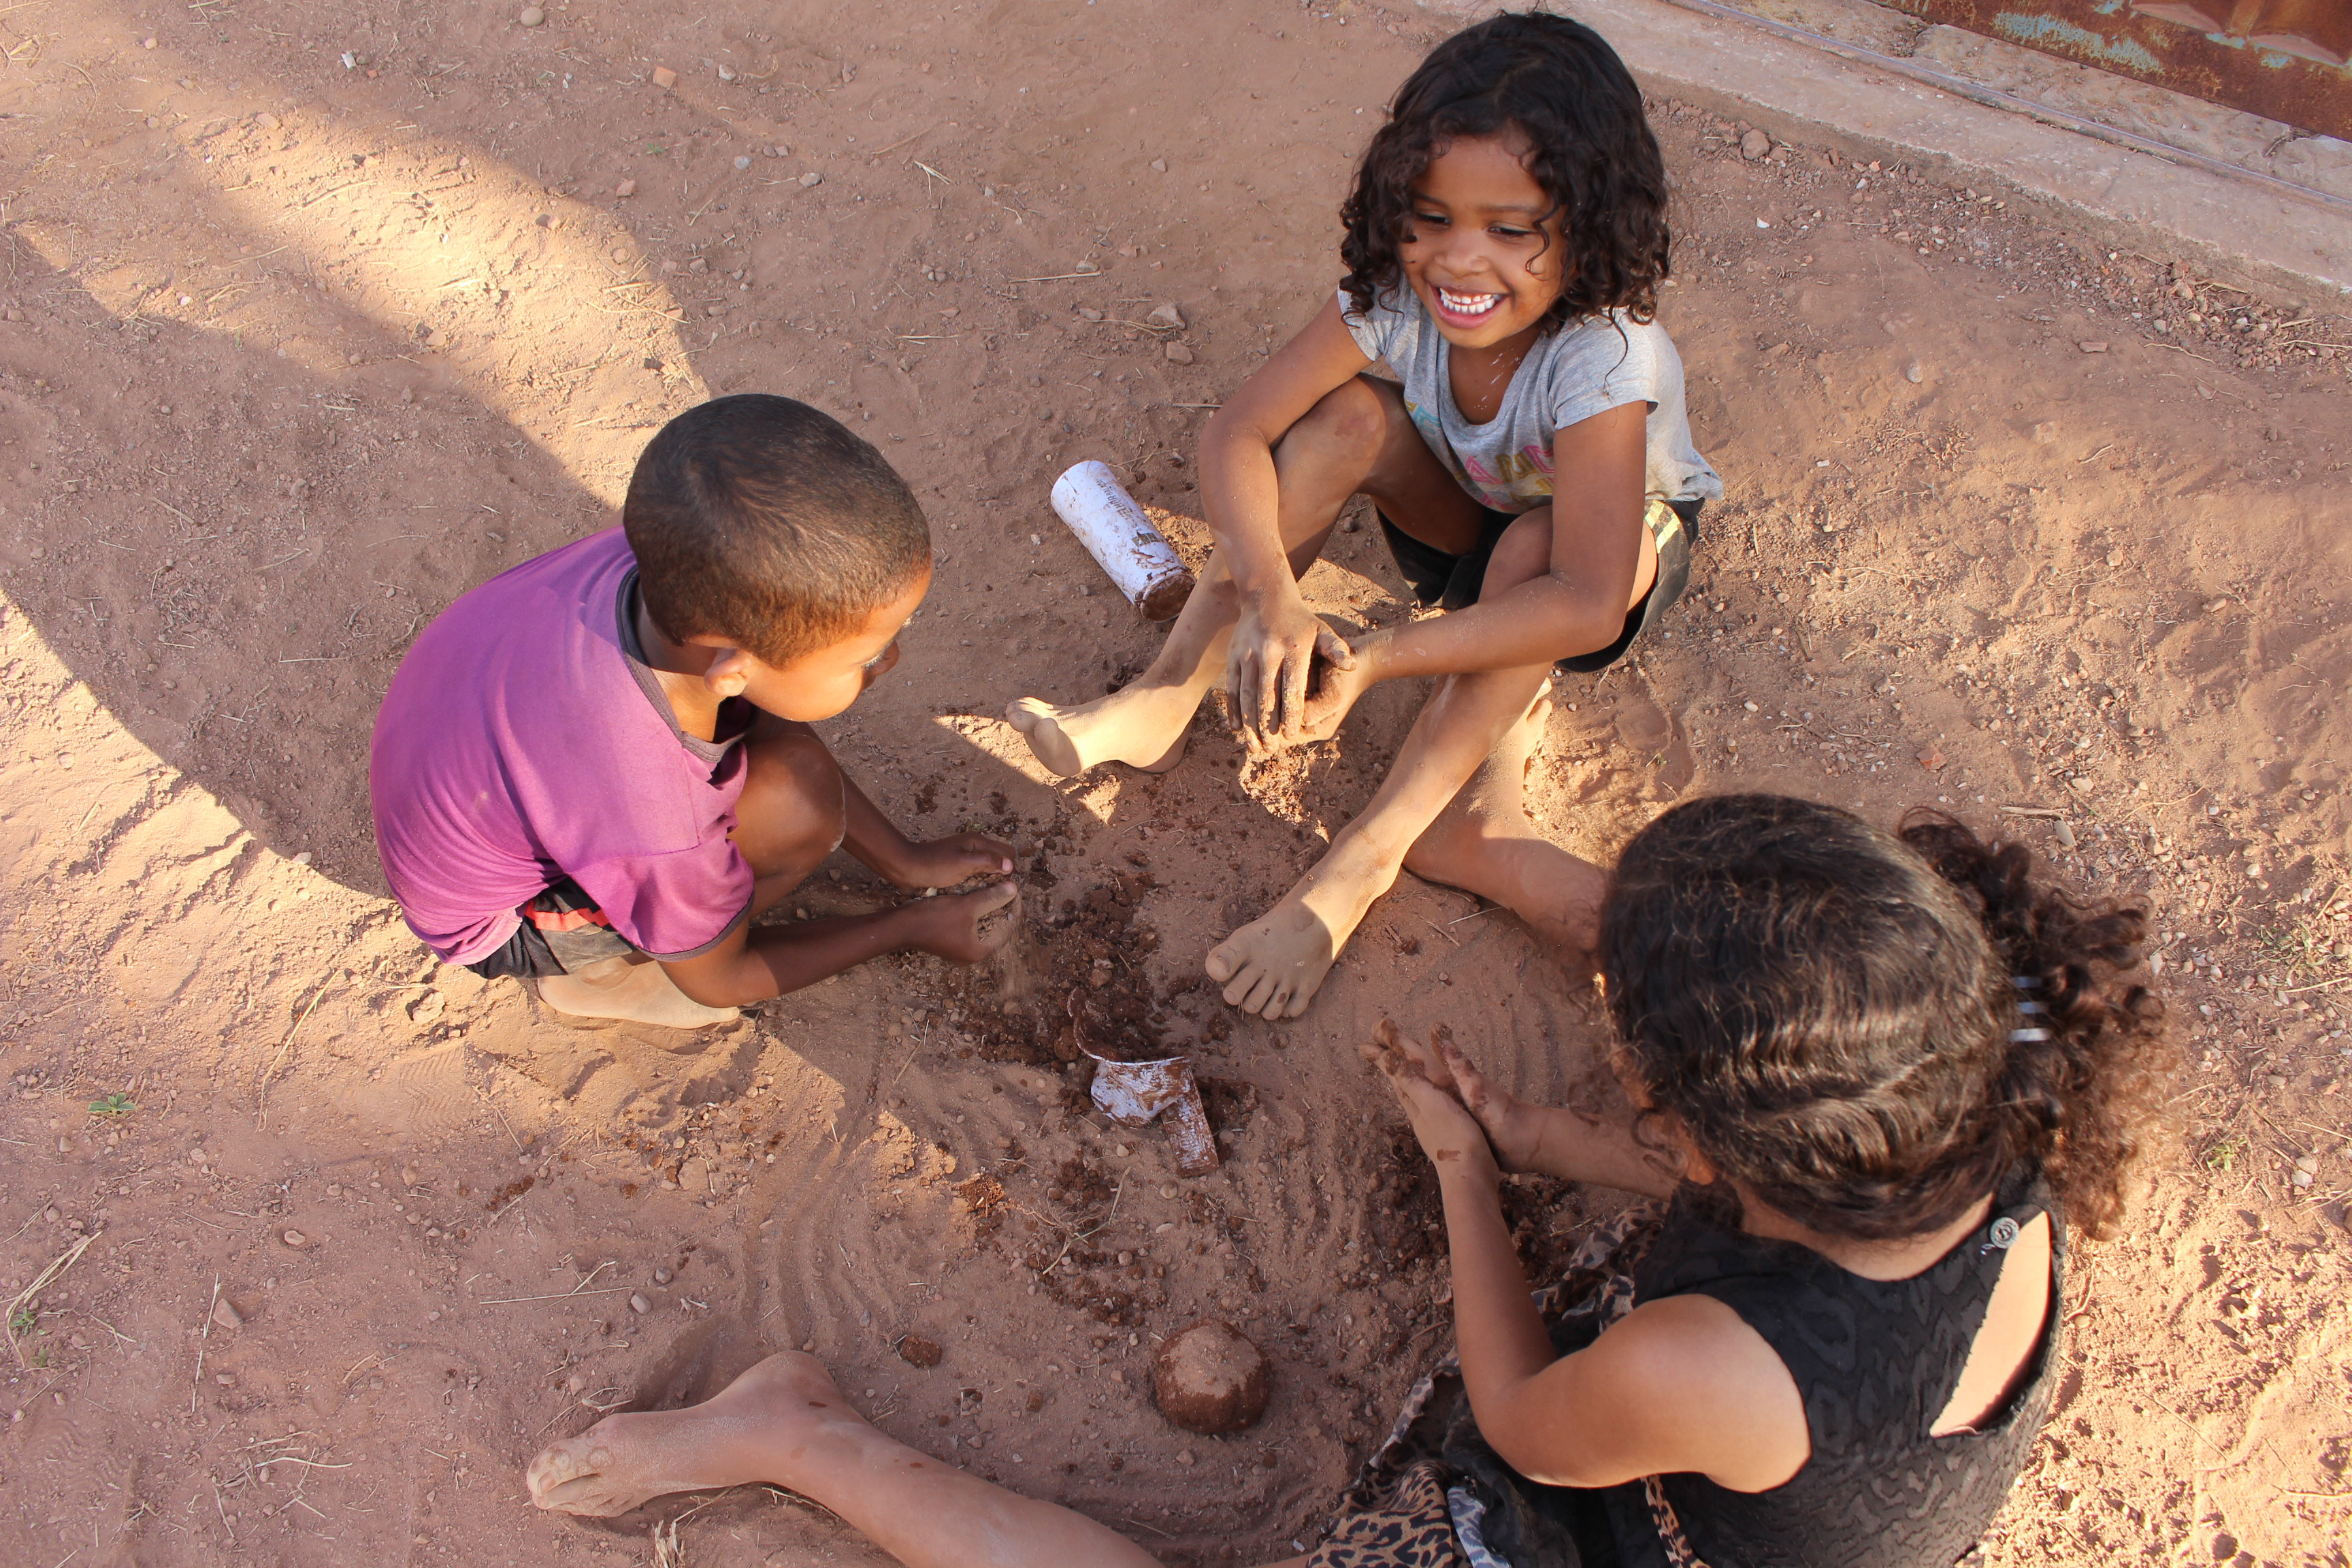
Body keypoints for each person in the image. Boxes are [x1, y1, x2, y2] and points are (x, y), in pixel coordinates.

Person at [521, 795, 2165, 1568]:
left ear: (1725, 1149)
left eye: (1636, 1065)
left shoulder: (1710, 1365)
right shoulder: (1972, 1075)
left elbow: (1524, 1416)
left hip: (1633, 1500)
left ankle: (790, 1433)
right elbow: (1679, 1123)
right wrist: (1545, 1121)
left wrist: (1464, 1167)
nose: (1607, 1038)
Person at [1007, 12, 1720, 1019]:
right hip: (1467, 515)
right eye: (1431, 218)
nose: (1460, 263)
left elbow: (1592, 601)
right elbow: (1236, 436)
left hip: (1590, 558)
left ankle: (1365, 861)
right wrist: (1272, 597)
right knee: (1343, 419)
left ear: (1591, 222)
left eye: (1512, 230)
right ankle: (1169, 690)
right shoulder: (1396, 293)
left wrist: (1379, 655)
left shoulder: (1605, 357)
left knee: (1535, 544)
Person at [370, 394, 1019, 1030]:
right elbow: (723, 982)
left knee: (780, 755)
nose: (891, 661)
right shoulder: (654, 811)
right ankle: (602, 978)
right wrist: (907, 927)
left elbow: (767, 703)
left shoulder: (671, 562)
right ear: (732, 667)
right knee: (798, 809)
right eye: (866, 656)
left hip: (480, 748)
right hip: (503, 919)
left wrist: (905, 861)